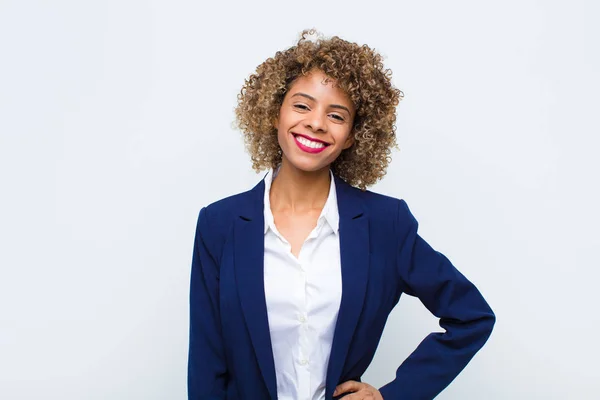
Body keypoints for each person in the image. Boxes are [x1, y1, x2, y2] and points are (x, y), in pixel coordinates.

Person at [187, 29, 495, 400]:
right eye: (302, 106)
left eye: (336, 115)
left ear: (352, 135)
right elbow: (207, 361)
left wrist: (393, 396)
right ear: (274, 113)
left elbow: (472, 316)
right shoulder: (219, 224)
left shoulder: (386, 224)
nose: (316, 123)